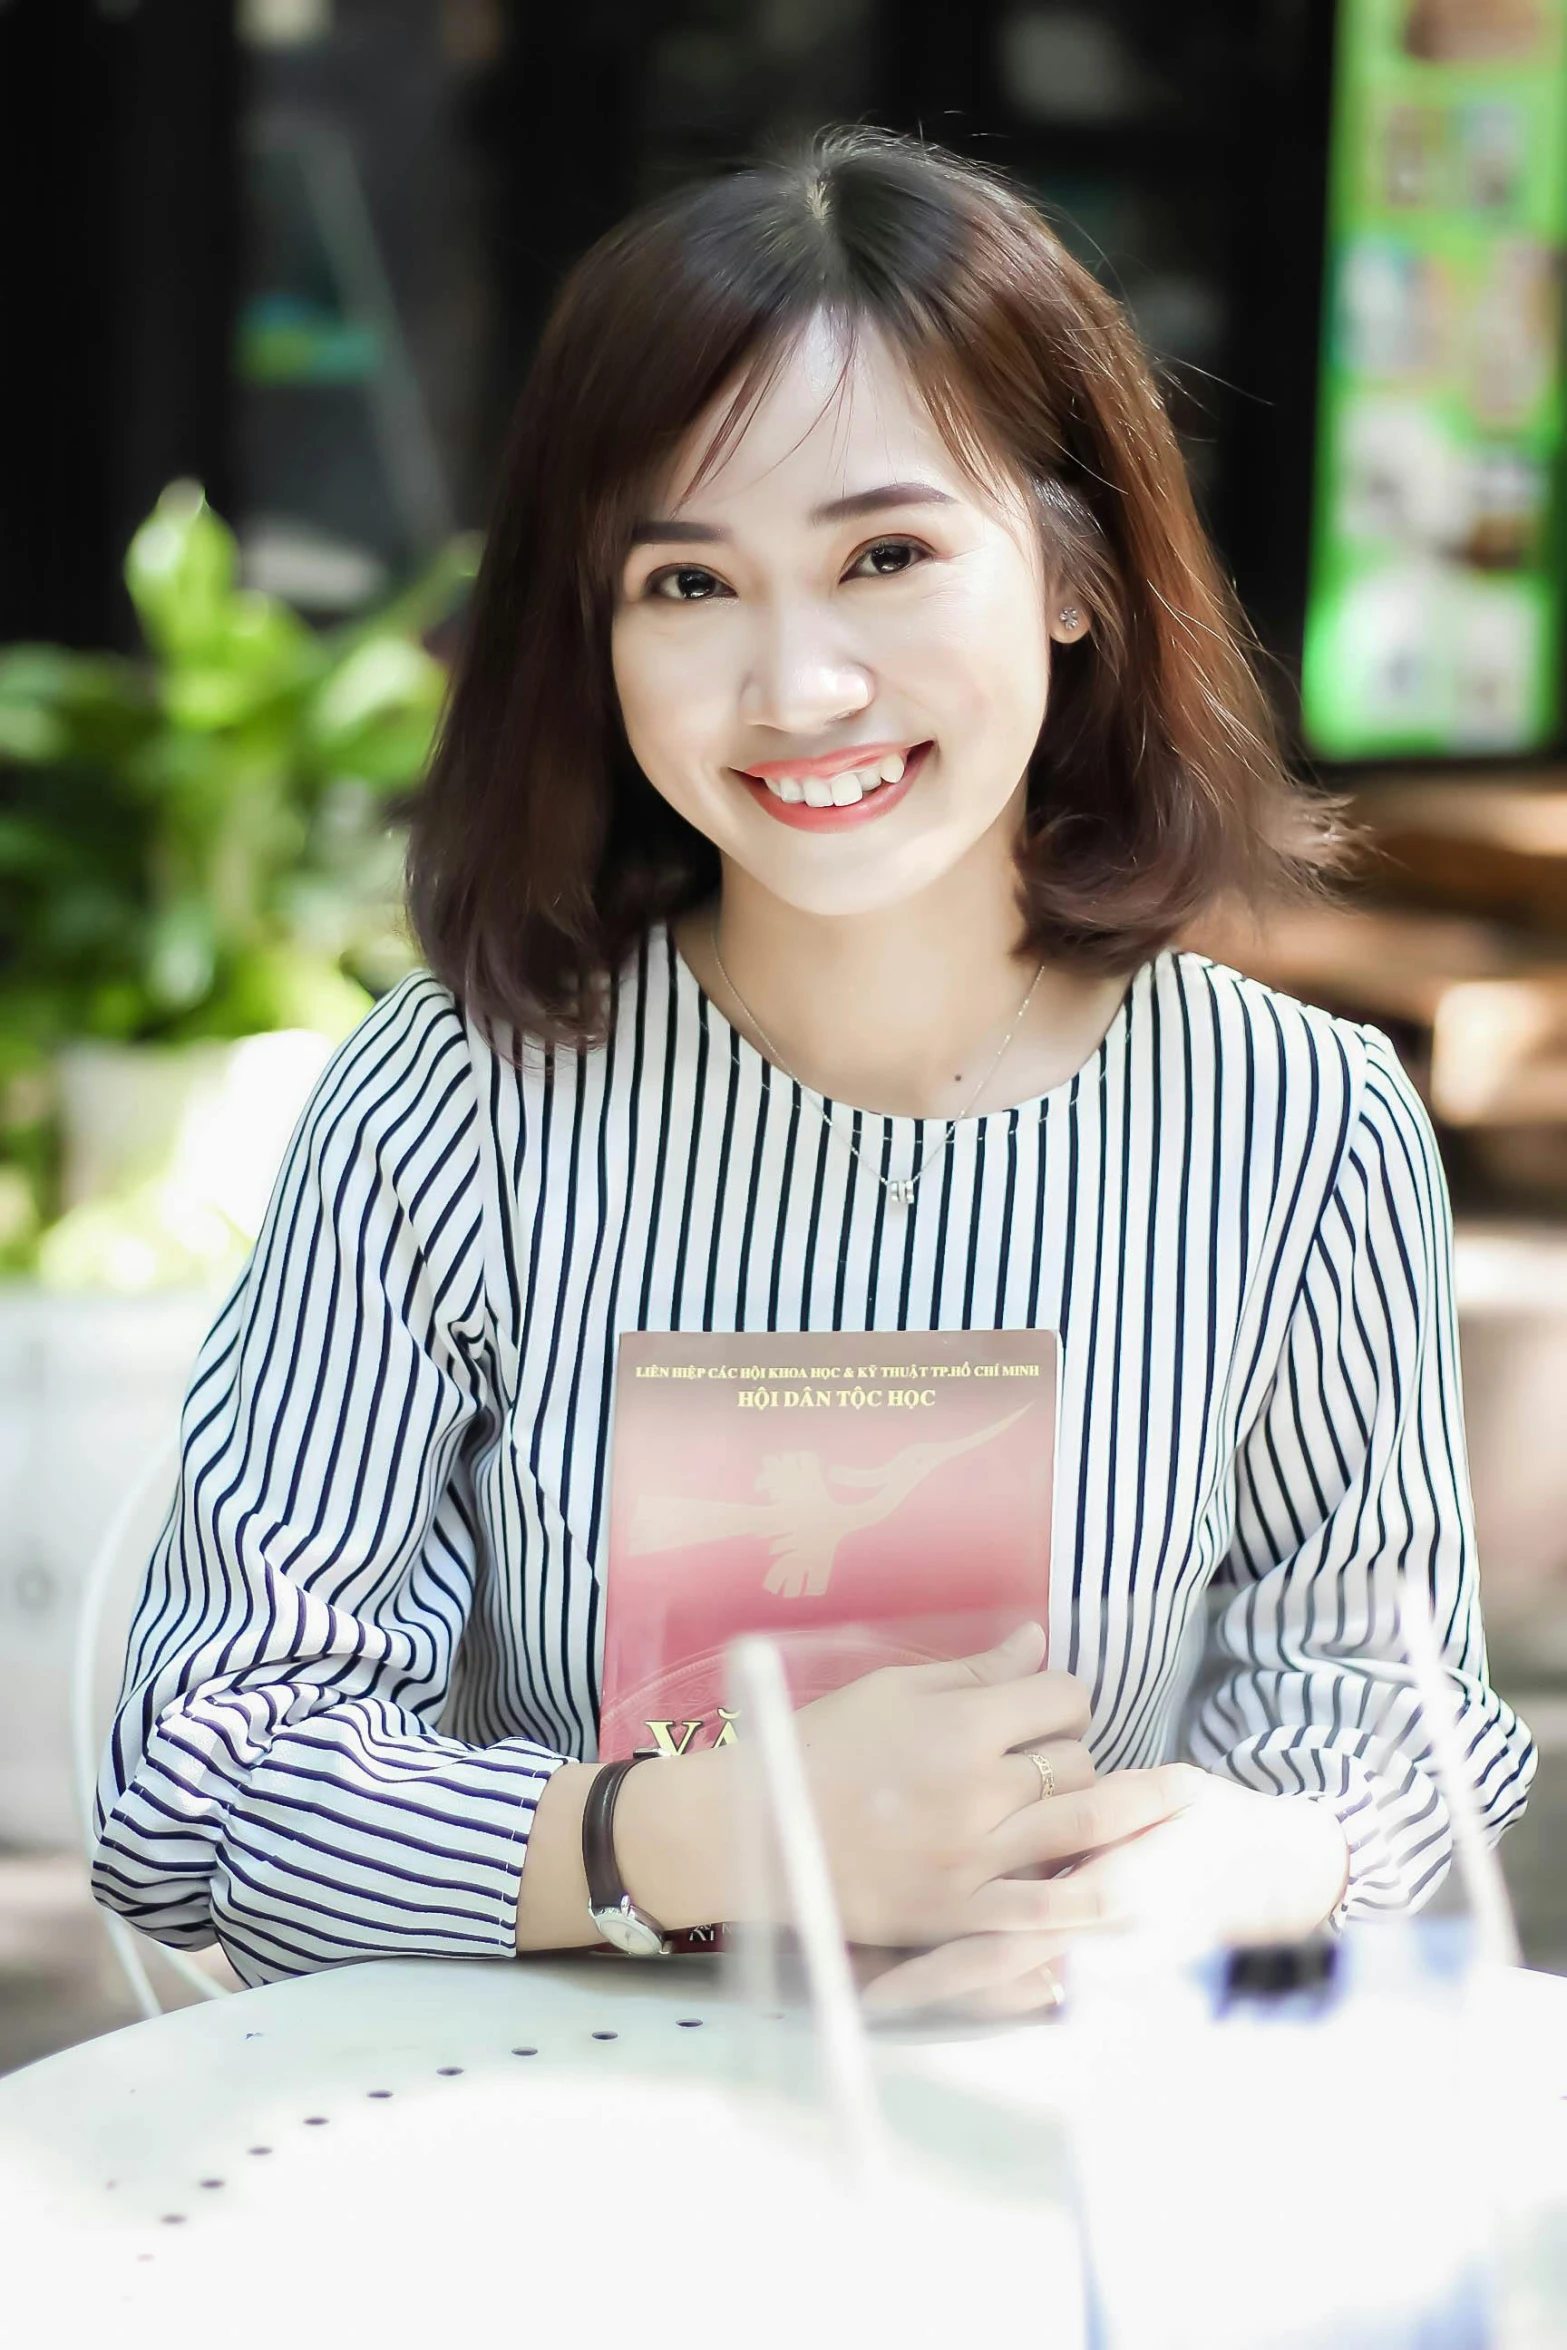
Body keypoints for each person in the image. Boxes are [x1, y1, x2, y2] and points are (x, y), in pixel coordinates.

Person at [93, 127, 1533, 2010]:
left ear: (1073, 574)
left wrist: (1269, 1856)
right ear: (590, 638)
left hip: (1063, 2156)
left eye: (886, 555)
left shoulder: (1299, 1131)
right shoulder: (448, 1105)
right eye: (686, 586)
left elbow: (1389, 1714)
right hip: (539, 2144)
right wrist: (711, 1834)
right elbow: (194, 1784)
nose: (799, 689)